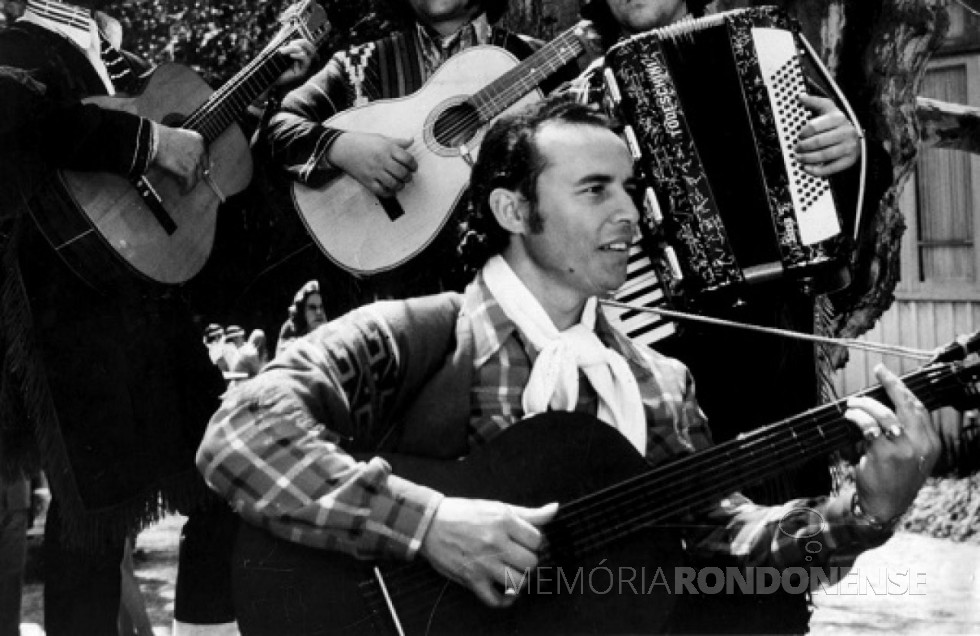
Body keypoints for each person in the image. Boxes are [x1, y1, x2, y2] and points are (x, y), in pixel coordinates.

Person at [197, 96, 939, 633]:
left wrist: (865, 512)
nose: (632, 214)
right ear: (513, 212)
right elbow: (238, 436)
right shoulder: (416, 336)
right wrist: (428, 524)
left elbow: (720, 546)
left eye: (631, 190)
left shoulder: (656, 381)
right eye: (595, 190)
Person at [0, 0, 312, 633]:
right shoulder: (21, 43)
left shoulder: (121, 54)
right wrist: (147, 142)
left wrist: (257, 93)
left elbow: (203, 165)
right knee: (93, 517)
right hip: (63, 307)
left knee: (226, 474)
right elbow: (17, 117)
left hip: (149, 303)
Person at [565, 2, 865, 630]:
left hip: (765, 376)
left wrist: (846, 150)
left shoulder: (767, 46)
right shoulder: (574, 93)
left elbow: (841, 236)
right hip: (652, 374)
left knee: (772, 593)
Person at [258, 0, 582, 320]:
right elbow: (277, 128)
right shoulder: (358, 67)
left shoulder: (538, 60)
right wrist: (342, 147)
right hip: (403, 314)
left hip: (525, 300)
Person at [275, 279, 327, 355]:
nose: (319, 312)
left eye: (321, 307)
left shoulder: (333, 338)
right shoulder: (292, 346)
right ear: (303, 312)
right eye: (312, 308)